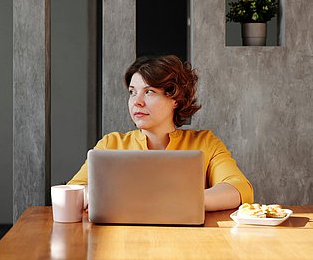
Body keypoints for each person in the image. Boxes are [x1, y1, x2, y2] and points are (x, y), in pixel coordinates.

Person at [68, 55, 253, 211]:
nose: (137, 102)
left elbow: (239, 188)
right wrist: (93, 194)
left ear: (176, 99)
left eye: (149, 92)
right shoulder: (111, 144)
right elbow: (72, 191)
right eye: (132, 92)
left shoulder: (205, 143)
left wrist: (175, 202)